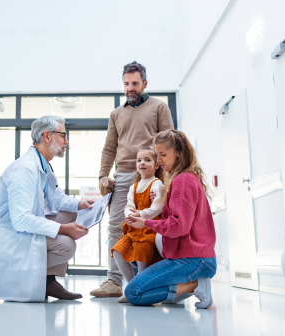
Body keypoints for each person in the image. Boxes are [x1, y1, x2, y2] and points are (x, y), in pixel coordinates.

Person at [0, 115, 94, 302]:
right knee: (67, 245)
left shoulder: (43, 165)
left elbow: (57, 199)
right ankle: (36, 279)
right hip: (7, 236)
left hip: (19, 229)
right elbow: (20, 220)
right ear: (47, 136)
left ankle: (47, 281)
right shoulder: (25, 169)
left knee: (71, 212)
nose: (66, 141)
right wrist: (63, 229)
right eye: (63, 135)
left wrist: (80, 204)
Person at [91, 61, 174, 298]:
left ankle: (153, 280)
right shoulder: (116, 114)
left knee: (152, 227)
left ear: (144, 83)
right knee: (117, 226)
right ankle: (114, 281)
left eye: (135, 83)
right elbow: (109, 148)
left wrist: (166, 177)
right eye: (126, 84)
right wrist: (102, 175)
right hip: (124, 175)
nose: (130, 88)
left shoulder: (159, 107)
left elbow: (170, 142)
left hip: (153, 175)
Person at [123, 130, 216, 308]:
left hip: (193, 259)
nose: (159, 161)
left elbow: (179, 226)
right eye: (157, 155)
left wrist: (145, 222)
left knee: (133, 293)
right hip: (197, 258)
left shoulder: (182, 180)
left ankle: (196, 284)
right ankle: (184, 288)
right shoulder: (186, 178)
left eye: (163, 155)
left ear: (179, 153)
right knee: (148, 290)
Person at [111, 146, 165, 303]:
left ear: (156, 165)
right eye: (139, 160)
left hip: (149, 228)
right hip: (134, 229)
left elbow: (157, 207)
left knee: (142, 250)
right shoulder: (133, 186)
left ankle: (140, 290)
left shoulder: (157, 184)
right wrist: (130, 214)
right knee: (118, 251)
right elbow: (128, 206)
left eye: (147, 160)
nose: (142, 163)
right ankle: (132, 287)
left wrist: (139, 214)